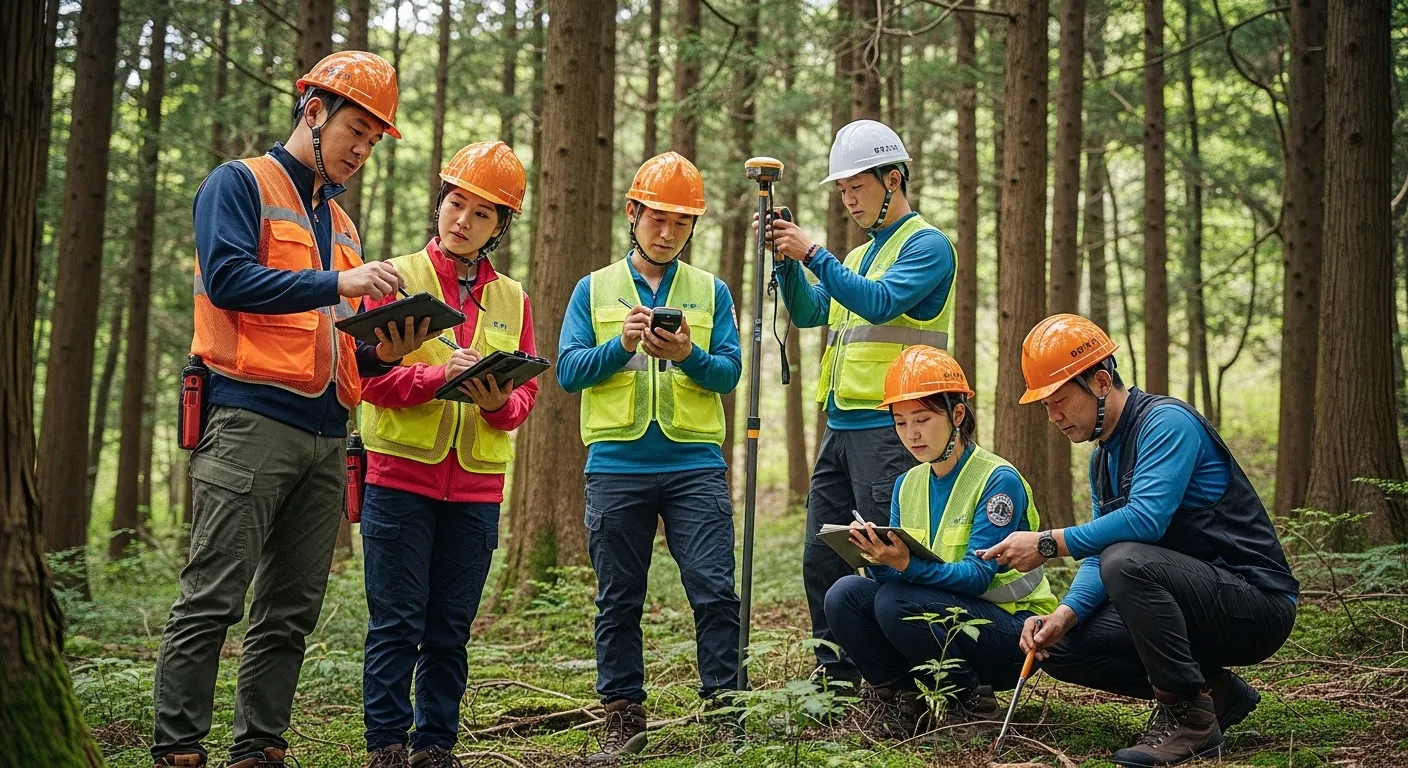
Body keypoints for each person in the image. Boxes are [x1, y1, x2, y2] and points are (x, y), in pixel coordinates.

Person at [153, 52, 434, 768]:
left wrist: (390, 351)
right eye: (356, 132)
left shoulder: (341, 224)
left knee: (289, 613)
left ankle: (259, 750)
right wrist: (340, 279)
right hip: (247, 423)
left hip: (325, 435)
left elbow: (341, 348)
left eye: (374, 141)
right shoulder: (238, 184)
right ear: (313, 111)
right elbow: (228, 278)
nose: (363, 151)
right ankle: (179, 748)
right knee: (213, 597)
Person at [980, 313, 1299, 768]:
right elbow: (1096, 560)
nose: (1053, 417)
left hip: (1255, 604)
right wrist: (1063, 615)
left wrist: (1047, 544)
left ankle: (1187, 717)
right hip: (1189, 604)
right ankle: (1213, 692)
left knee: (1126, 560)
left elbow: (1144, 522)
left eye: (1059, 400)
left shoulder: (1166, 423)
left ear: (1101, 381)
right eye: (1045, 406)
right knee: (1060, 648)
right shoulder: (1102, 460)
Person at [356, 141, 539, 768]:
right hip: (398, 481)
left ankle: (436, 745)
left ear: (500, 226)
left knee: (449, 628)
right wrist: (438, 379)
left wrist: (494, 401)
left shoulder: (512, 299)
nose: (462, 220)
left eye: (481, 214)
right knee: (396, 624)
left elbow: (526, 395)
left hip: (476, 491)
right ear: (440, 203)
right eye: (455, 204)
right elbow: (368, 379)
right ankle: (385, 746)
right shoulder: (396, 279)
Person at [758, 118, 957, 688]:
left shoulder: (927, 245)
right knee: (823, 556)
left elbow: (879, 303)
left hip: (896, 429)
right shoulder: (860, 254)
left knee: (888, 555)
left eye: (856, 188)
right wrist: (787, 263)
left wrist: (813, 252)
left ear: (893, 180)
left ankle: (904, 679)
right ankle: (838, 675)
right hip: (840, 428)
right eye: (841, 191)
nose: (847, 201)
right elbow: (809, 311)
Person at [557, 152, 743, 762]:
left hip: (696, 466)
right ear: (633, 214)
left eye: (680, 223)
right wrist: (621, 344)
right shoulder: (593, 288)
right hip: (616, 466)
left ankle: (725, 713)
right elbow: (567, 371)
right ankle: (623, 717)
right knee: (618, 598)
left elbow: (729, 373)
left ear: (693, 228)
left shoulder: (712, 291)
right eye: (657, 218)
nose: (667, 232)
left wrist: (689, 353)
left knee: (715, 591)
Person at [823, 346, 1058, 737]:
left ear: (957, 414)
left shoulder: (997, 480)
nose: (911, 433)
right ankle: (902, 702)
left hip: (1013, 634)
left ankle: (971, 701)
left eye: (923, 418)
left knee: (894, 600)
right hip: (938, 620)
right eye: (900, 422)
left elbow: (979, 578)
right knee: (844, 594)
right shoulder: (906, 484)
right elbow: (898, 579)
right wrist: (879, 558)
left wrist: (904, 567)